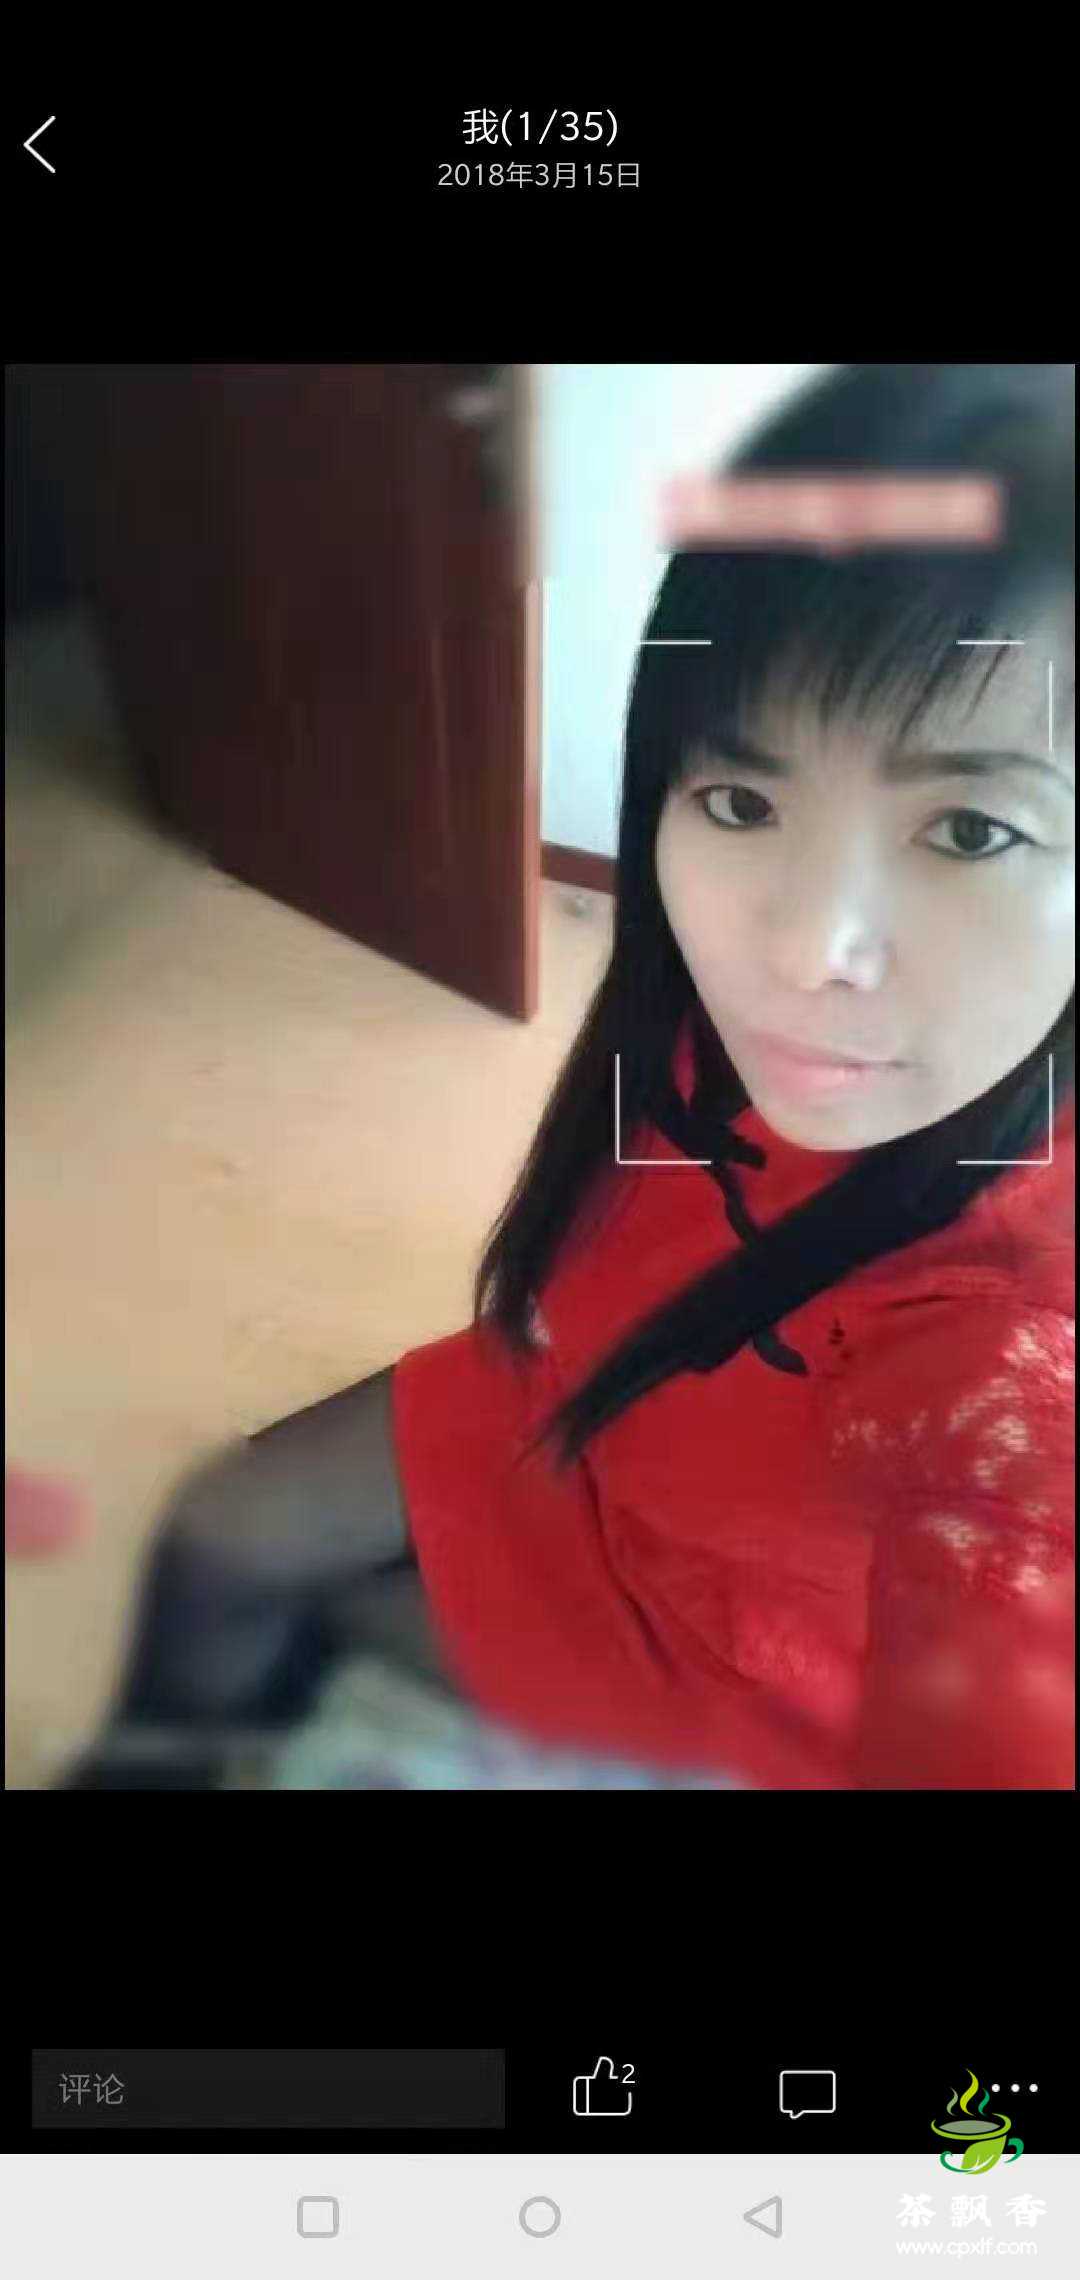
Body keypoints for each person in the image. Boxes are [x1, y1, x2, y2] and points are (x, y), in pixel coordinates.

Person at [62, 363, 1074, 1789]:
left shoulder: (1014, 1346)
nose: (802, 950)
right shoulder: (697, 1016)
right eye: (742, 800)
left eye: (971, 831)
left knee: (291, 1610)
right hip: (574, 1389)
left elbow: (1005, 1650)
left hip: (706, 1641)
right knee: (218, 1534)